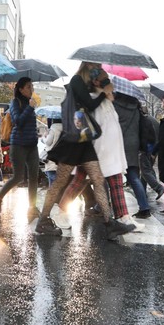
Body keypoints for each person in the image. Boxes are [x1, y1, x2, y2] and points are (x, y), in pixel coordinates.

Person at [35, 61, 134, 240]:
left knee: (97, 178)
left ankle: (109, 224)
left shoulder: (88, 83)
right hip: (73, 139)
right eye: (95, 66)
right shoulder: (76, 81)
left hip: (85, 139)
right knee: (60, 182)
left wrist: (104, 87)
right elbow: (89, 104)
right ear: (87, 66)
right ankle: (43, 221)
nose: (98, 69)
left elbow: (95, 99)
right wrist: (104, 93)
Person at [53, 68, 144, 232]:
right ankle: (61, 211)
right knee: (79, 182)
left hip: (109, 151)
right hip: (95, 151)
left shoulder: (108, 101)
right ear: (95, 81)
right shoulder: (93, 99)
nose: (109, 82)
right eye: (105, 78)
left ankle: (123, 217)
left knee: (115, 183)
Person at [0, 77, 40, 218]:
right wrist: (30, 108)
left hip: (32, 145)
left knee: (34, 177)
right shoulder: (15, 102)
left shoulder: (31, 104)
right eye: (28, 87)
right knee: (18, 177)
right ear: (20, 89)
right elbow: (18, 121)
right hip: (18, 144)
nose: (31, 90)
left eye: (32, 87)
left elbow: (30, 124)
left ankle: (32, 208)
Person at [113, 92, 152, 218]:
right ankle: (144, 207)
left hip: (118, 143)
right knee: (133, 176)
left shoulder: (114, 106)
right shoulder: (136, 107)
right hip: (133, 144)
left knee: (110, 176)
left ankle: (102, 207)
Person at [139, 111, 164, 200]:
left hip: (145, 148)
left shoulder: (142, 120)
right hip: (153, 148)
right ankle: (142, 192)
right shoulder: (152, 119)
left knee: (145, 171)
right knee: (146, 169)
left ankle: (158, 188)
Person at [41, 118, 62, 186]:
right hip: (62, 158)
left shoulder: (53, 129)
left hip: (52, 158)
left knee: (51, 175)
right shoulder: (66, 129)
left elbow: (48, 142)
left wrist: (44, 137)